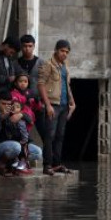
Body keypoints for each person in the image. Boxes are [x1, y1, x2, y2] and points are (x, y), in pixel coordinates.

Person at [0, 91, 42, 176]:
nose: (6, 106)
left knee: (37, 152)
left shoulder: (11, 112)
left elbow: (26, 123)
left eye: (8, 104)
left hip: (10, 146)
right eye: (3, 103)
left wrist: (21, 115)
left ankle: (13, 165)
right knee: (15, 147)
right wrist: (1, 117)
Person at [38, 39, 76, 175]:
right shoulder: (48, 65)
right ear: (56, 50)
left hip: (64, 105)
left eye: (67, 52)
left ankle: (57, 163)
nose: (64, 54)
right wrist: (47, 105)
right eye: (62, 51)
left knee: (60, 135)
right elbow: (41, 84)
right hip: (53, 104)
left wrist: (72, 102)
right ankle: (47, 165)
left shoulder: (65, 66)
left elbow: (67, 86)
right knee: (50, 135)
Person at [17, 34, 46, 139]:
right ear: (21, 47)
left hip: (38, 103)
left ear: (34, 46)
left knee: (45, 132)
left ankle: (49, 155)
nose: (27, 49)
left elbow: (47, 83)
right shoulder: (16, 63)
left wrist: (44, 101)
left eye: (30, 46)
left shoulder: (41, 63)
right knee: (21, 131)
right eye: (25, 46)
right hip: (21, 104)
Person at [0, 36, 22, 105]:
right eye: (11, 52)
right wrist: (7, 79)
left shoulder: (8, 58)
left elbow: (17, 70)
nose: (11, 55)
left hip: (6, 95)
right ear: (6, 45)